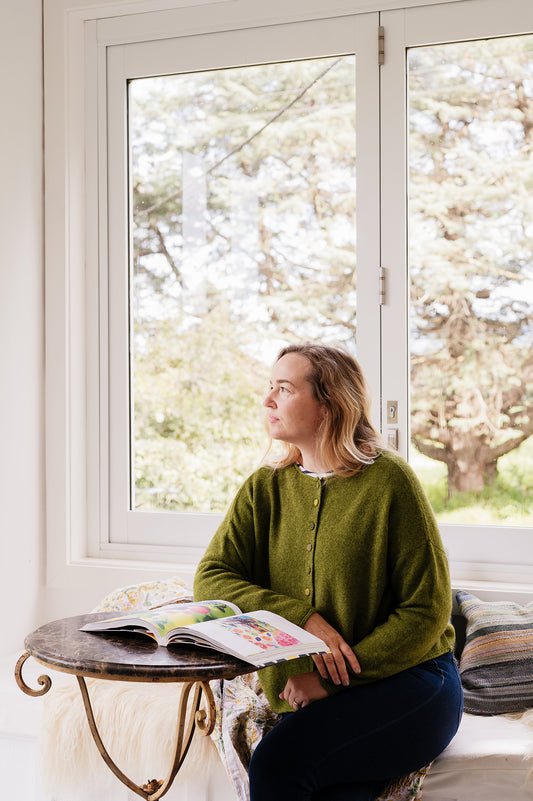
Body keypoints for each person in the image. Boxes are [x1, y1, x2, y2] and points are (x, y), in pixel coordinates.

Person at [193, 342, 463, 801]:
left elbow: (427, 611)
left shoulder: (390, 481)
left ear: (330, 404)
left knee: (278, 763)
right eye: (270, 387)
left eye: (284, 389)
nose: (268, 400)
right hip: (315, 693)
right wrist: (301, 618)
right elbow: (212, 577)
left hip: (413, 682)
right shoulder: (264, 488)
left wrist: (329, 679)